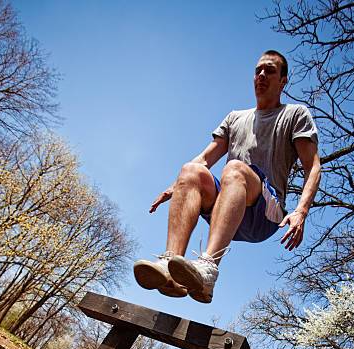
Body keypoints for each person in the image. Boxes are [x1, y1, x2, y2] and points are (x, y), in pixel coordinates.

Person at [134, 50, 321, 303]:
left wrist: (301, 211)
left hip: (265, 214)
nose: (262, 75)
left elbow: (313, 167)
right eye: (258, 71)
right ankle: (170, 267)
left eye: (270, 70)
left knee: (235, 168)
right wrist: (177, 186)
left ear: (283, 81)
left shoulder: (295, 114)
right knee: (191, 169)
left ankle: (207, 268)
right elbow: (204, 159)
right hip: (228, 208)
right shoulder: (235, 118)